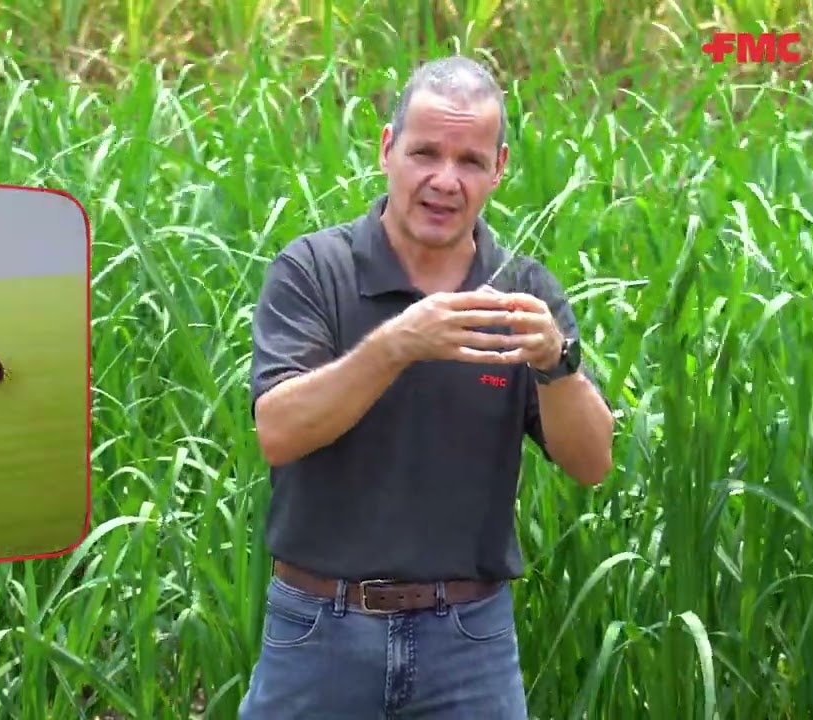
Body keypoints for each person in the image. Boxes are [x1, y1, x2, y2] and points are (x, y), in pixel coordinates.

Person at [238, 55, 615, 719]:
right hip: (318, 631)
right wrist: (398, 344)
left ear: (498, 170)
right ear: (388, 151)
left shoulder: (522, 292)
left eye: (470, 161)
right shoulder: (314, 271)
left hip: (470, 641)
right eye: (425, 154)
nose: (445, 180)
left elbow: (591, 464)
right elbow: (279, 431)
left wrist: (558, 362)